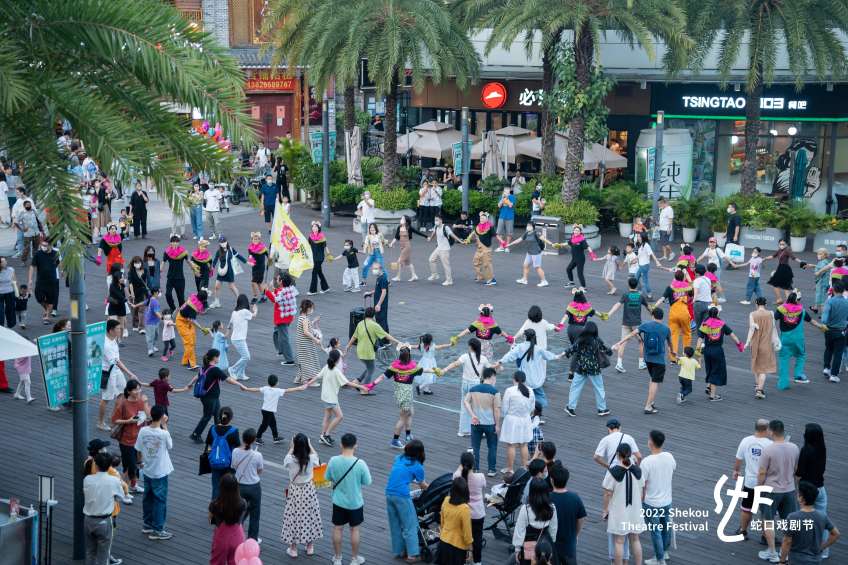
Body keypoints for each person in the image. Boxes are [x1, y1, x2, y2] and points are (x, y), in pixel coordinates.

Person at [367, 347, 434, 448]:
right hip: (406, 396)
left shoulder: (394, 367)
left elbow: (382, 376)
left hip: (399, 394)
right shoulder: (413, 368)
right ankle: (395, 440)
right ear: (409, 357)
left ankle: (408, 435)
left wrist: (372, 384)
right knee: (402, 418)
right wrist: (436, 370)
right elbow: (425, 370)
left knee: (411, 413)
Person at [757, 419, 801, 563]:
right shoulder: (794, 447)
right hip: (789, 489)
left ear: (771, 431)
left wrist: (759, 487)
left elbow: (762, 472)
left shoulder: (768, 450)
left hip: (770, 490)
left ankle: (772, 552)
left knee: (768, 520)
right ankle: (785, 551)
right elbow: (796, 471)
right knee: (787, 522)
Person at [615, 309, 674, 414]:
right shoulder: (666, 329)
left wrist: (620, 342)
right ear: (662, 317)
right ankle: (648, 406)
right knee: (655, 382)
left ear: (653, 316)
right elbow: (670, 344)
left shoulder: (646, 325)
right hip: (659, 360)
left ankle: (651, 402)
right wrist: (673, 352)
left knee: (652, 380)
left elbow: (632, 333)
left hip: (648, 359)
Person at [325, 433, 371, 565]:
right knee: (354, 530)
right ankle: (354, 558)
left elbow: (327, 478)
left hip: (338, 501)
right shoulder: (360, 463)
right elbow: (367, 481)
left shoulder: (333, 460)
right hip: (355, 503)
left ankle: (338, 558)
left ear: (341, 444)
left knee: (337, 528)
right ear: (355, 445)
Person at [306, 349, 368, 446]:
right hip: (331, 398)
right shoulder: (336, 371)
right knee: (339, 416)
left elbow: (317, 377)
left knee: (327, 417)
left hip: (325, 396)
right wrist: (361, 386)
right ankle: (326, 434)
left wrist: (308, 384)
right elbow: (347, 383)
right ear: (338, 359)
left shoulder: (326, 367)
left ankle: (322, 436)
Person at [494, 328, 564, 409]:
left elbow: (509, 356)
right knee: (541, 398)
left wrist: (500, 362)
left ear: (524, 336)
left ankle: (528, 412)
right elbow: (550, 356)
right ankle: (536, 413)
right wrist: (558, 356)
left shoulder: (520, 347)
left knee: (523, 397)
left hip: (524, 380)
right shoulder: (538, 348)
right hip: (536, 379)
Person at [84, 452, 132, 565]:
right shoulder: (113, 480)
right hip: (104, 521)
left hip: (88, 520)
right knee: (103, 555)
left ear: (96, 464)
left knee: (90, 552)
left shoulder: (87, 479)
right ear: (110, 465)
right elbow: (121, 496)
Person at [134, 405, 173, 540]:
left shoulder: (143, 430)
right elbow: (170, 446)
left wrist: (139, 464)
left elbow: (138, 449)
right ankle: (158, 529)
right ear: (162, 417)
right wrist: (165, 425)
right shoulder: (164, 433)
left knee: (148, 497)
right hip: (160, 471)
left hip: (147, 469)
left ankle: (147, 524)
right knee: (160, 500)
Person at [385, 440, 428, 562]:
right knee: (410, 524)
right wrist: (432, 487)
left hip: (389, 493)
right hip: (402, 496)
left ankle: (399, 551)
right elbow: (423, 485)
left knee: (395, 524)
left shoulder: (398, 458)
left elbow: (402, 473)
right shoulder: (418, 466)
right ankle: (412, 554)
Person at [603, 443, 645, 565]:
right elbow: (642, 490)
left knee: (619, 542)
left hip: (619, 511)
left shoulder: (613, 472)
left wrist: (605, 510)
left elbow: (607, 493)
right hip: (635, 510)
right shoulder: (638, 471)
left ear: (617, 455)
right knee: (635, 539)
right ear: (630, 454)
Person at [779, 481, 840, 565]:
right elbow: (836, 534)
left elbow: (787, 541)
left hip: (796, 560)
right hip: (815, 560)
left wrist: (782, 561)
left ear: (801, 498)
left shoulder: (793, 517)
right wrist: (822, 547)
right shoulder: (822, 516)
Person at [281, 433, 323, 556]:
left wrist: (292, 447)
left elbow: (286, 460)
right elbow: (317, 459)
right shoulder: (312, 458)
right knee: (309, 516)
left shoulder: (290, 459)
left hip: (295, 490)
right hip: (309, 490)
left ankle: (293, 548)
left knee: (293, 517)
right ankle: (309, 546)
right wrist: (310, 445)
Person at [188, 349, 240, 444]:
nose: (219, 358)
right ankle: (195, 434)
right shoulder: (215, 369)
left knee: (217, 415)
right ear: (214, 358)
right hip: (210, 398)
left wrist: (190, 384)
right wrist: (240, 385)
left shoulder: (204, 367)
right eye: (218, 356)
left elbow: (197, 376)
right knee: (207, 416)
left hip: (211, 397)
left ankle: (220, 434)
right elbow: (228, 379)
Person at [732, 419, 773, 541]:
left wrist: (736, 471)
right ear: (767, 429)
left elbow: (739, 458)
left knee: (746, 508)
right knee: (766, 511)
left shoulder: (746, 441)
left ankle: (743, 531)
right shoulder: (770, 444)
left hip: (750, 482)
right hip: (766, 482)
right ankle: (765, 536)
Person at [795, 423, 831, 559]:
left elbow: (799, 472)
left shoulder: (806, 450)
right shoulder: (822, 448)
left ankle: (806, 547)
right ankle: (824, 550)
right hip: (820, 488)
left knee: (806, 520)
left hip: (808, 489)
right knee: (822, 518)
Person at [238, 373, 307, 444]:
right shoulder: (277, 391)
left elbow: (256, 389)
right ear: (277, 383)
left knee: (273, 423)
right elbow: (288, 390)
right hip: (268, 411)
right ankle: (258, 438)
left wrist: (246, 389)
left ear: (268, 382)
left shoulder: (265, 388)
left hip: (265, 410)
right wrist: (299, 388)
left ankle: (275, 437)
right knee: (264, 425)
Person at [640, 430, 675, 565]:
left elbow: (642, 483)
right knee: (666, 526)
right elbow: (673, 469)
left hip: (651, 502)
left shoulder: (647, 462)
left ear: (651, 442)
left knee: (655, 531)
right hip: (667, 500)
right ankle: (665, 552)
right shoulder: (669, 456)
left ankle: (659, 559)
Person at [110, 379, 151, 494]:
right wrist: (128, 421)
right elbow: (114, 420)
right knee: (130, 465)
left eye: (139, 389)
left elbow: (149, 416)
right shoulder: (123, 404)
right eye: (135, 390)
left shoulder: (141, 401)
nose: (138, 391)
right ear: (129, 391)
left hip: (140, 438)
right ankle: (123, 489)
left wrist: (146, 402)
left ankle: (131, 486)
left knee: (135, 464)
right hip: (126, 439)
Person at [696, 307, 744, 402]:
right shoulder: (722, 324)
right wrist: (739, 344)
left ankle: (708, 386)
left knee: (709, 368)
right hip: (717, 350)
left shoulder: (705, 324)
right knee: (716, 371)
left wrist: (698, 351)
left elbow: (700, 339)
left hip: (707, 350)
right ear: (717, 314)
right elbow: (732, 335)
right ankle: (712, 396)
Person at [564, 322, 612, 418]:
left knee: (575, 387)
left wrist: (563, 354)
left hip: (581, 367)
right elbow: (607, 351)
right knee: (599, 388)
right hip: (594, 368)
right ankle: (602, 409)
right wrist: (611, 350)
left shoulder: (580, 339)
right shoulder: (597, 340)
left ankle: (571, 408)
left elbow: (571, 350)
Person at [607, 277, 653, 373]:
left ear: (629, 285)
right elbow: (649, 308)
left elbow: (617, 305)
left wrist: (609, 314)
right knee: (641, 342)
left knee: (623, 342)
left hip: (626, 323)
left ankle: (619, 363)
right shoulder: (640, 296)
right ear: (637, 285)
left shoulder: (625, 295)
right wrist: (654, 316)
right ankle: (641, 363)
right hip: (636, 325)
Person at [98, 320, 137, 431]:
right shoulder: (106, 345)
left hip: (116, 370)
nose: (120, 330)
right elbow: (116, 362)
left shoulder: (113, 339)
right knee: (106, 398)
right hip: (109, 372)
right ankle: (100, 422)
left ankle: (113, 418)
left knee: (122, 393)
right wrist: (130, 374)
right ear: (111, 331)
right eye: (118, 329)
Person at [346, 306, 399, 386]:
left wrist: (348, 347)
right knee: (371, 369)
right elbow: (386, 335)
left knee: (369, 366)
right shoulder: (374, 325)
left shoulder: (360, 323)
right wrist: (397, 342)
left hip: (360, 351)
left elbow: (354, 337)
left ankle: (358, 381)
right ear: (373, 315)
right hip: (368, 352)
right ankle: (364, 388)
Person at [463, 367, 501, 476]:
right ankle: (491, 470)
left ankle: (475, 468)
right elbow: (497, 410)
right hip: (490, 424)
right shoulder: (495, 392)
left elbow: (466, 402)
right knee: (492, 446)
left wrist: (473, 415)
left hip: (475, 423)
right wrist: (497, 425)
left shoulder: (473, 389)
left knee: (475, 447)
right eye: (495, 377)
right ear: (492, 377)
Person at [513, 478, 558, 565]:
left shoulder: (525, 509)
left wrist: (517, 549)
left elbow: (520, 530)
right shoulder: (552, 507)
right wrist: (551, 543)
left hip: (529, 542)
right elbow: (553, 528)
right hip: (545, 541)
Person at [549, 463, 586, 565]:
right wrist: (576, 534)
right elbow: (581, 519)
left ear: (551, 480)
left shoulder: (547, 498)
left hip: (551, 544)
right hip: (569, 544)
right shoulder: (575, 498)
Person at [652, 270, 693, 359]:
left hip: (673, 313)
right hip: (684, 312)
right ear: (683, 278)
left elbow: (662, 298)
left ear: (675, 277)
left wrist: (654, 306)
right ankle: (686, 355)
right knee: (687, 333)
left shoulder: (670, 287)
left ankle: (673, 357)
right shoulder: (687, 287)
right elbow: (691, 297)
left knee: (673, 334)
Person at [499, 371, 536, 473]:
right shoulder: (531, 391)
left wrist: (503, 416)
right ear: (525, 380)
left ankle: (510, 469)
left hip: (512, 420)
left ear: (514, 379)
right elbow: (532, 408)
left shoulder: (510, 391)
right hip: (525, 419)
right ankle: (524, 467)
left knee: (511, 445)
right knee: (524, 444)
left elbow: (504, 408)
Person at [743, 297, 779, 398]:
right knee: (763, 369)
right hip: (766, 344)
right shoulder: (771, 314)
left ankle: (757, 384)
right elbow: (774, 328)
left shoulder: (752, 314)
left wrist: (747, 342)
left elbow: (751, 329)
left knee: (756, 364)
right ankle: (759, 390)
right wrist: (776, 341)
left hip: (755, 343)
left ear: (756, 304)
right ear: (765, 304)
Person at [452, 453, 485, 564]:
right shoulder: (480, 477)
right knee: (477, 537)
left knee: (462, 536)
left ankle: (463, 559)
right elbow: (484, 486)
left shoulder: (457, 477)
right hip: (478, 513)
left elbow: (456, 474)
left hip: (462, 511)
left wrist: (461, 465)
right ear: (473, 464)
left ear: (461, 464)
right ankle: (477, 561)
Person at [208, 474, 246, 565]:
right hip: (237, 536)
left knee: (217, 562)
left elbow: (210, 519)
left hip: (222, 537)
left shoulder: (215, 504)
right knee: (236, 561)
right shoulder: (242, 503)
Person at [436, 476, 473, 565]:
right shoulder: (464, 509)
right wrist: (470, 548)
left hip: (443, 542)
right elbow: (467, 532)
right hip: (457, 547)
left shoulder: (446, 500)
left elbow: (442, 521)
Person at [508, 221, 556, 287]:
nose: (528, 227)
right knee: (525, 265)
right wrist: (510, 244)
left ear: (533, 227)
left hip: (536, 253)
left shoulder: (536, 233)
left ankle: (544, 281)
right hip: (529, 253)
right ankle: (524, 280)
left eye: (530, 226)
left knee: (537, 267)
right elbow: (519, 240)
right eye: (528, 225)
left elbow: (544, 239)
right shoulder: (526, 233)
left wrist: (551, 244)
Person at [266, 272, 298, 365]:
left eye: (278, 279)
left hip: (282, 318)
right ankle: (281, 349)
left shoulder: (281, 292)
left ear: (281, 281)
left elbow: (274, 299)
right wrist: (271, 289)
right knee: (277, 332)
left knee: (284, 338)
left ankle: (289, 359)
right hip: (287, 316)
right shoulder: (288, 289)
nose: (276, 280)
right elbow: (277, 293)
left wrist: (266, 291)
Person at [27, 237, 60, 324]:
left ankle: (47, 316)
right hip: (40, 281)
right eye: (42, 245)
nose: (43, 247)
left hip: (52, 281)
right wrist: (30, 280)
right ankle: (47, 310)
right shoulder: (38, 254)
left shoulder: (55, 253)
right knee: (39, 298)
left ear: (50, 245)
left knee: (51, 300)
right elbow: (32, 266)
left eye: (45, 245)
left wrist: (63, 271)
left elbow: (59, 264)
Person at [821, 279, 848, 383]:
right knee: (838, 353)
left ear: (834, 290)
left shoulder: (829, 301)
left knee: (828, 349)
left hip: (829, 330)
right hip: (841, 331)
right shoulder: (846, 302)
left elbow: (824, 319)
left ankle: (826, 368)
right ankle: (834, 374)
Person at [766, 239, 806, 304]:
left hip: (785, 269)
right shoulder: (779, 250)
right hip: (780, 268)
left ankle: (787, 302)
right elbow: (773, 256)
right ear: (778, 244)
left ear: (786, 244)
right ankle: (780, 300)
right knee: (777, 284)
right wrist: (764, 259)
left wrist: (801, 261)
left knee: (785, 287)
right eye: (780, 244)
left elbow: (794, 258)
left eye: (783, 244)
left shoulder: (787, 250)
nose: (781, 245)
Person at [227, 294, 257, 381]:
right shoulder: (244, 311)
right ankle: (232, 369)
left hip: (236, 338)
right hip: (239, 339)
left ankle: (240, 374)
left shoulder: (234, 312)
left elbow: (230, 324)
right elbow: (254, 315)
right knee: (246, 357)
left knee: (244, 356)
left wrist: (226, 334)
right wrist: (255, 309)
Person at [211, 236, 246, 308]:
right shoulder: (219, 251)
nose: (223, 243)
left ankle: (240, 302)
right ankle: (216, 302)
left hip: (229, 271)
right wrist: (213, 267)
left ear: (226, 242)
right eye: (221, 242)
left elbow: (238, 256)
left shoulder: (231, 249)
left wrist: (246, 262)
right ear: (219, 244)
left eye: (224, 242)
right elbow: (215, 260)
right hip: (221, 270)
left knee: (232, 287)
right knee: (217, 286)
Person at [427, 215, 462, 286]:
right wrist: (430, 238)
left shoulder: (445, 227)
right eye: (435, 220)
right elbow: (434, 233)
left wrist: (460, 241)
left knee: (446, 265)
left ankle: (449, 280)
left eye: (437, 220)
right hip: (438, 248)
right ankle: (435, 275)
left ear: (441, 220)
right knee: (431, 259)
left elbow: (452, 235)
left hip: (445, 249)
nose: (435, 221)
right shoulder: (436, 227)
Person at [294, 299, 322, 385]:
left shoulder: (301, 317)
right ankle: (308, 381)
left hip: (301, 342)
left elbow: (306, 326)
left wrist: (313, 321)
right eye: (312, 308)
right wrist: (316, 339)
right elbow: (306, 331)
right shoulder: (305, 319)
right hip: (305, 343)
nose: (312, 310)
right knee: (309, 360)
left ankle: (299, 378)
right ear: (308, 308)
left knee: (303, 360)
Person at [466, 211, 496, 286]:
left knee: (487, 263)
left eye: (483, 218)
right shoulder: (478, 226)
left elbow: (495, 235)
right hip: (479, 248)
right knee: (475, 261)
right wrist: (469, 238)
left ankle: (491, 279)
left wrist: (502, 242)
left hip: (486, 248)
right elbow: (474, 232)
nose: (481, 219)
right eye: (480, 218)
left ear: (487, 219)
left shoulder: (490, 227)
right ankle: (480, 276)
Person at [162, 236, 188, 311]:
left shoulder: (183, 253)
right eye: (173, 242)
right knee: (168, 295)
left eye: (177, 242)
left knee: (181, 299)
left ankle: (182, 315)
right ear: (170, 243)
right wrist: (159, 271)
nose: (175, 243)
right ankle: (173, 309)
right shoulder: (167, 252)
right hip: (170, 278)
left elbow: (189, 262)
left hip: (180, 278)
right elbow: (163, 262)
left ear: (179, 243)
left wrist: (195, 269)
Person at [634, 233, 663, 299]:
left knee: (645, 281)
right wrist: (635, 260)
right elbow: (639, 255)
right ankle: (640, 291)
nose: (637, 237)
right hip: (641, 265)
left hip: (644, 266)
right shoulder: (640, 245)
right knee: (636, 278)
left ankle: (649, 293)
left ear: (642, 237)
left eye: (639, 236)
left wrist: (657, 262)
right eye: (637, 236)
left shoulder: (646, 245)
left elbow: (652, 254)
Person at [307, 221, 332, 294]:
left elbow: (325, 247)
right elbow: (308, 246)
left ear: (319, 228)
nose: (314, 228)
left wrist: (329, 255)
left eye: (316, 227)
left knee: (314, 272)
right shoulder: (310, 237)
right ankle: (325, 288)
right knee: (319, 272)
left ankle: (313, 290)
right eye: (313, 227)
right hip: (313, 257)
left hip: (320, 257)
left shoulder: (322, 237)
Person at [495, 187, 516, 251]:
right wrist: (502, 199)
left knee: (509, 233)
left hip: (510, 217)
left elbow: (510, 205)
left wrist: (507, 198)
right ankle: (501, 246)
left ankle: (507, 247)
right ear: (503, 192)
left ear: (509, 192)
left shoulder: (512, 197)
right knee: (499, 232)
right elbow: (499, 206)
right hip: (502, 216)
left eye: (508, 192)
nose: (506, 193)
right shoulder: (501, 197)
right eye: (505, 192)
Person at [0, 256, 19, 328]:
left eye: (5, 261)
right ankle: (1, 328)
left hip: (10, 292)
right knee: (0, 312)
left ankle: (11, 326)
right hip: (0, 294)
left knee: (10, 310)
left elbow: (15, 281)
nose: (5, 262)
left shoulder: (11, 270)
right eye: (3, 261)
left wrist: (17, 293)